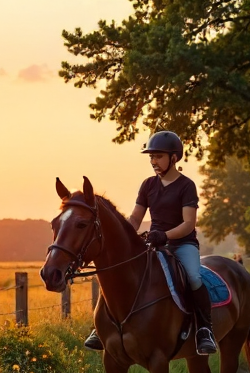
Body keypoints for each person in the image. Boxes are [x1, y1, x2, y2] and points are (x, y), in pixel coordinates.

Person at [84, 130, 218, 354]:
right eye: (151, 157)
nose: (153, 161)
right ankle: (101, 328)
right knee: (118, 273)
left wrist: (165, 235)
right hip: (154, 244)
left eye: (158, 156)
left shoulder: (186, 186)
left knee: (194, 277)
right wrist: (124, 236)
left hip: (182, 244)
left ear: (173, 158)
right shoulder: (148, 185)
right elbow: (136, 219)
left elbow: (188, 224)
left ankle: (205, 329)